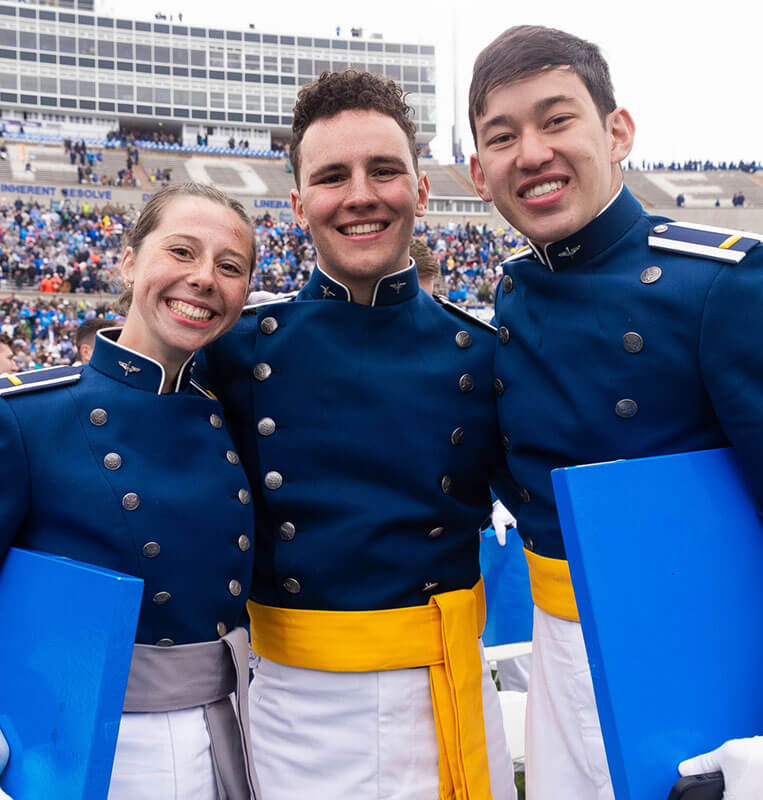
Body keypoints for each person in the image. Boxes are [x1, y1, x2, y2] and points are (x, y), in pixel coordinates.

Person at [467, 25, 763, 800]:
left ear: (617, 131)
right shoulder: (516, 290)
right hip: (556, 661)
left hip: (700, 662)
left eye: (557, 120)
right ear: (480, 174)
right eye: (504, 136)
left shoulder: (724, 283)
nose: (533, 153)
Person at [198, 70, 515, 800]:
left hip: (445, 695)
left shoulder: (485, 352)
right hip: (292, 708)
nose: (361, 195)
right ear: (299, 204)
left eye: (383, 170)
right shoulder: (235, 350)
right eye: (333, 176)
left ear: (422, 188)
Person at [0, 183, 261, 799]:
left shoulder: (235, 413)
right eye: (181, 251)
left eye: (230, 267)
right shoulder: (28, 416)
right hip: (81, 743)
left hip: (223, 728)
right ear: (127, 260)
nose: (203, 279)